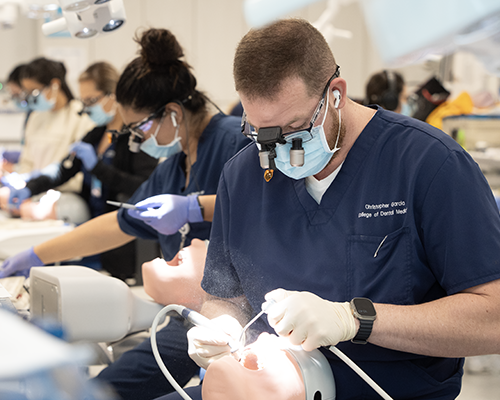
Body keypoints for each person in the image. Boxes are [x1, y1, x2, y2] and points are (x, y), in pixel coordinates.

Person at [165, 19, 500, 400]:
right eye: (261, 134)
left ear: (335, 94)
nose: (274, 153)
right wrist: (221, 328)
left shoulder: (429, 164)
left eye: (292, 131)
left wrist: (354, 320)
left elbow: (494, 318)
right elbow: (225, 298)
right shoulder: (242, 177)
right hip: (267, 387)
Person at [0, 28, 251, 400]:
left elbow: (260, 206)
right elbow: (120, 223)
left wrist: (195, 206)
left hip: (238, 315)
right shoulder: (174, 164)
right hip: (187, 312)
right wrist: (36, 256)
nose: (136, 139)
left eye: (139, 128)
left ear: (173, 113)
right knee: (105, 387)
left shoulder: (235, 140)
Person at [7, 61, 158, 280]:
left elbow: (142, 187)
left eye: (91, 101)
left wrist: (97, 168)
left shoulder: (137, 139)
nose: (87, 108)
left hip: (123, 241)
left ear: (113, 95)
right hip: (94, 234)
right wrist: (29, 188)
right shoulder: (96, 135)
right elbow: (62, 171)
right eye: (84, 101)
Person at [0, 57, 95, 213]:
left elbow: (75, 174)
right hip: (34, 190)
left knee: (41, 211)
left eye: (34, 92)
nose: (29, 98)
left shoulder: (79, 116)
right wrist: (21, 182)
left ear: (54, 85)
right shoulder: (36, 117)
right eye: (27, 92)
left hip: (64, 193)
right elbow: (27, 162)